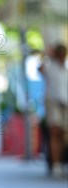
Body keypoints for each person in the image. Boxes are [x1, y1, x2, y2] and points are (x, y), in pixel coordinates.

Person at [39, 43, 68, 178]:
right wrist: (47, 55)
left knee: (62, 134)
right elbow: (40, 68)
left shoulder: (65, 68)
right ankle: (55, 164)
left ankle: (61, 162)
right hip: (53, 102)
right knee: (55, 133)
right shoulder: (50, 66)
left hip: (65, 103)